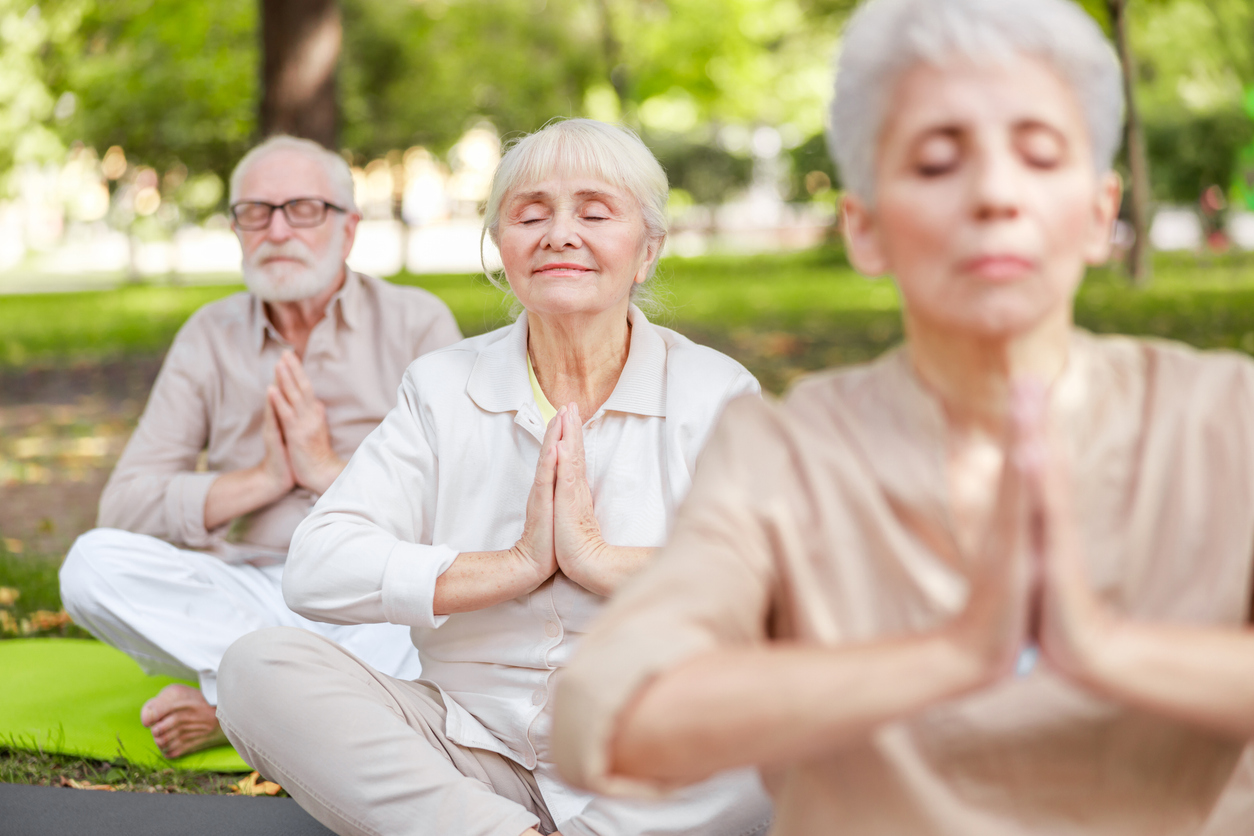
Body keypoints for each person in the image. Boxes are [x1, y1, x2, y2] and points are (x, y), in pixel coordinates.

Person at [551, 1, 1254, 833]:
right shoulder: (781, 451)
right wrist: (952, 655)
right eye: (935, 163)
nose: (995, 194)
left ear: (1101, 213)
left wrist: (1103, 648)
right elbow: (610, 719)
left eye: (1038, 155)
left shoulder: (1227, 419)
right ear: (866, 227)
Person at [214, 119, 773, 836]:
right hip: (467, 749)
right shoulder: (442, 386)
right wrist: (513, 566)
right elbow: (317, 569)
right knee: (257, 669)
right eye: (531, 214)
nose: (559, 234)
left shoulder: (714, 392)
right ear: (501, 249)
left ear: (647, 251)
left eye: (595, 213)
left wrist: (600, 563)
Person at [59, 135, 462, 759]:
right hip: (242, 589)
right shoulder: (208, 334)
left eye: (302, 209)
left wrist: (324, 468)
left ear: (349, 229)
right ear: (237, 230)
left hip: (364, 592)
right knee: (89, 567)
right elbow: (125, 507)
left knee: (438, 607)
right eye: (256, 211)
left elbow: (458, 499)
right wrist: (265, 479)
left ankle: (233, 708)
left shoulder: (418, 321)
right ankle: (289, 701)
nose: (277, 230)